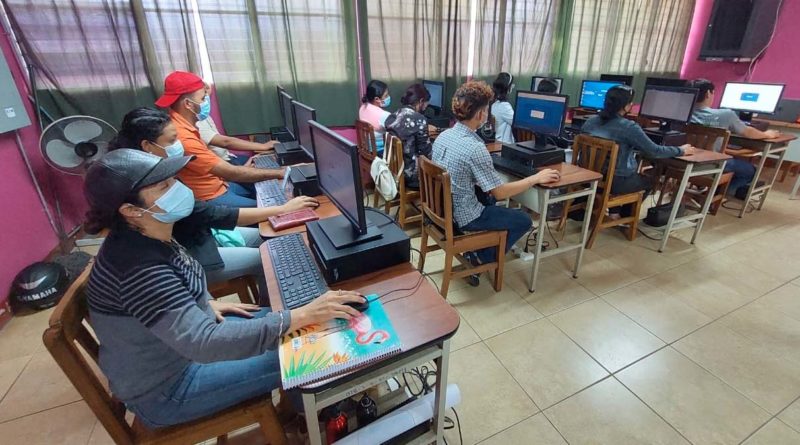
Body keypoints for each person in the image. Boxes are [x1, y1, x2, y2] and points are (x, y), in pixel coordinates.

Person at [82, 148, 365, 428]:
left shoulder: (146, 235)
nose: (178, 189)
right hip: (170, 389)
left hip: (178, 353)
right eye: (163, 187)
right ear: (131, 210)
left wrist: (203, 304)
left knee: (302, 329)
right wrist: (300, 316)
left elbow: (175, 296)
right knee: (313, 350)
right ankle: (326, 422)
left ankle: (303, 413)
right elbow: (204, 343)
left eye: (173, 181)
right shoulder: (138, 268)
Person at [111, 107, 318, 299]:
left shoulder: (159, 171)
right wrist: (283, 208)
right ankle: (276, 308)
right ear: (147, 146)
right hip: (190, 254)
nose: (179, 145)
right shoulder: (141, 184)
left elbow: (204, 213)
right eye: (173, 140)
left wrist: (280, 210)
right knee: (268, 258)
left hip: (200, 234)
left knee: (273, 236)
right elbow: (210, 213)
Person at [432, 81, 560, 285]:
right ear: (481, 114)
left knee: (490, 199)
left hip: (442, 211)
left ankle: (481, 249)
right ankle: (482, 258)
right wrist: (535, 178)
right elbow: (500, 193)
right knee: (522, 220)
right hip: (465, 216)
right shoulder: (475, 147)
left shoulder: (444, 136)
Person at [155, 71, 284, 208]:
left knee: (266, 191)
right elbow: (230, 171)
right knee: (277, 209)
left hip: (221, 184)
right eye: (203, 98)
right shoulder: (183, 136)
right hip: (211, 197)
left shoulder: (182, 123)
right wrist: (281, 172)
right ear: (188, 104)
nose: (206, 101)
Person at [581, 85, 698, 218]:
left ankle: (614, 211)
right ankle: (625, 217)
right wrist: (681, 150)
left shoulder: (590, 122)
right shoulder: (628, 127)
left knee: (631, 172)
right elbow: (655, 151)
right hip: (614, 183)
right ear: (626, 106)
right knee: (650, 182)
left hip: (588, 177)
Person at [687, 78, 780, 197]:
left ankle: (709, 188)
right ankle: (718, 195)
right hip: (711, 163)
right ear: (708, 94)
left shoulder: (683, 113)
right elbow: (748, 132)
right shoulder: (726, 114)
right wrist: (767, 134)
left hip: (686, 159)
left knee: (733, 159)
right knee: (750, 170)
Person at [196, 83, 277, 166]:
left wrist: (205, 88)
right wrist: (263, 146)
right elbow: (226, 142)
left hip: (229, 157)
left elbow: (206, 89)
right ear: (188, 103)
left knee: (264, 161)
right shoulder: (197, 124)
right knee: (271, 169)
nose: (206, 99)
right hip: (226, 164)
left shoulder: (202, 114)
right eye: (203, 98)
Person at [384, 83, 434, 189]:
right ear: (421, 101)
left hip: (395, 169)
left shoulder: (393, 116)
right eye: (426, 104)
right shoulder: (419, 119)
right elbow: (426, 152)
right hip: (411, 176)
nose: (425, 107)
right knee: (442, 169)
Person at [359, 79, 391, 152]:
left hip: (367, 148)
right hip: (380, 151)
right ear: (377, 99)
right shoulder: (383, 115)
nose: (388, 97)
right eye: (386, 96)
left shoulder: (362, 107)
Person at [491, 72, 515, 144]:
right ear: (508, 87)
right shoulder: (505, 106)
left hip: (497, 140)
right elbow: (516, 123)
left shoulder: (494, 103)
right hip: (504, 144)